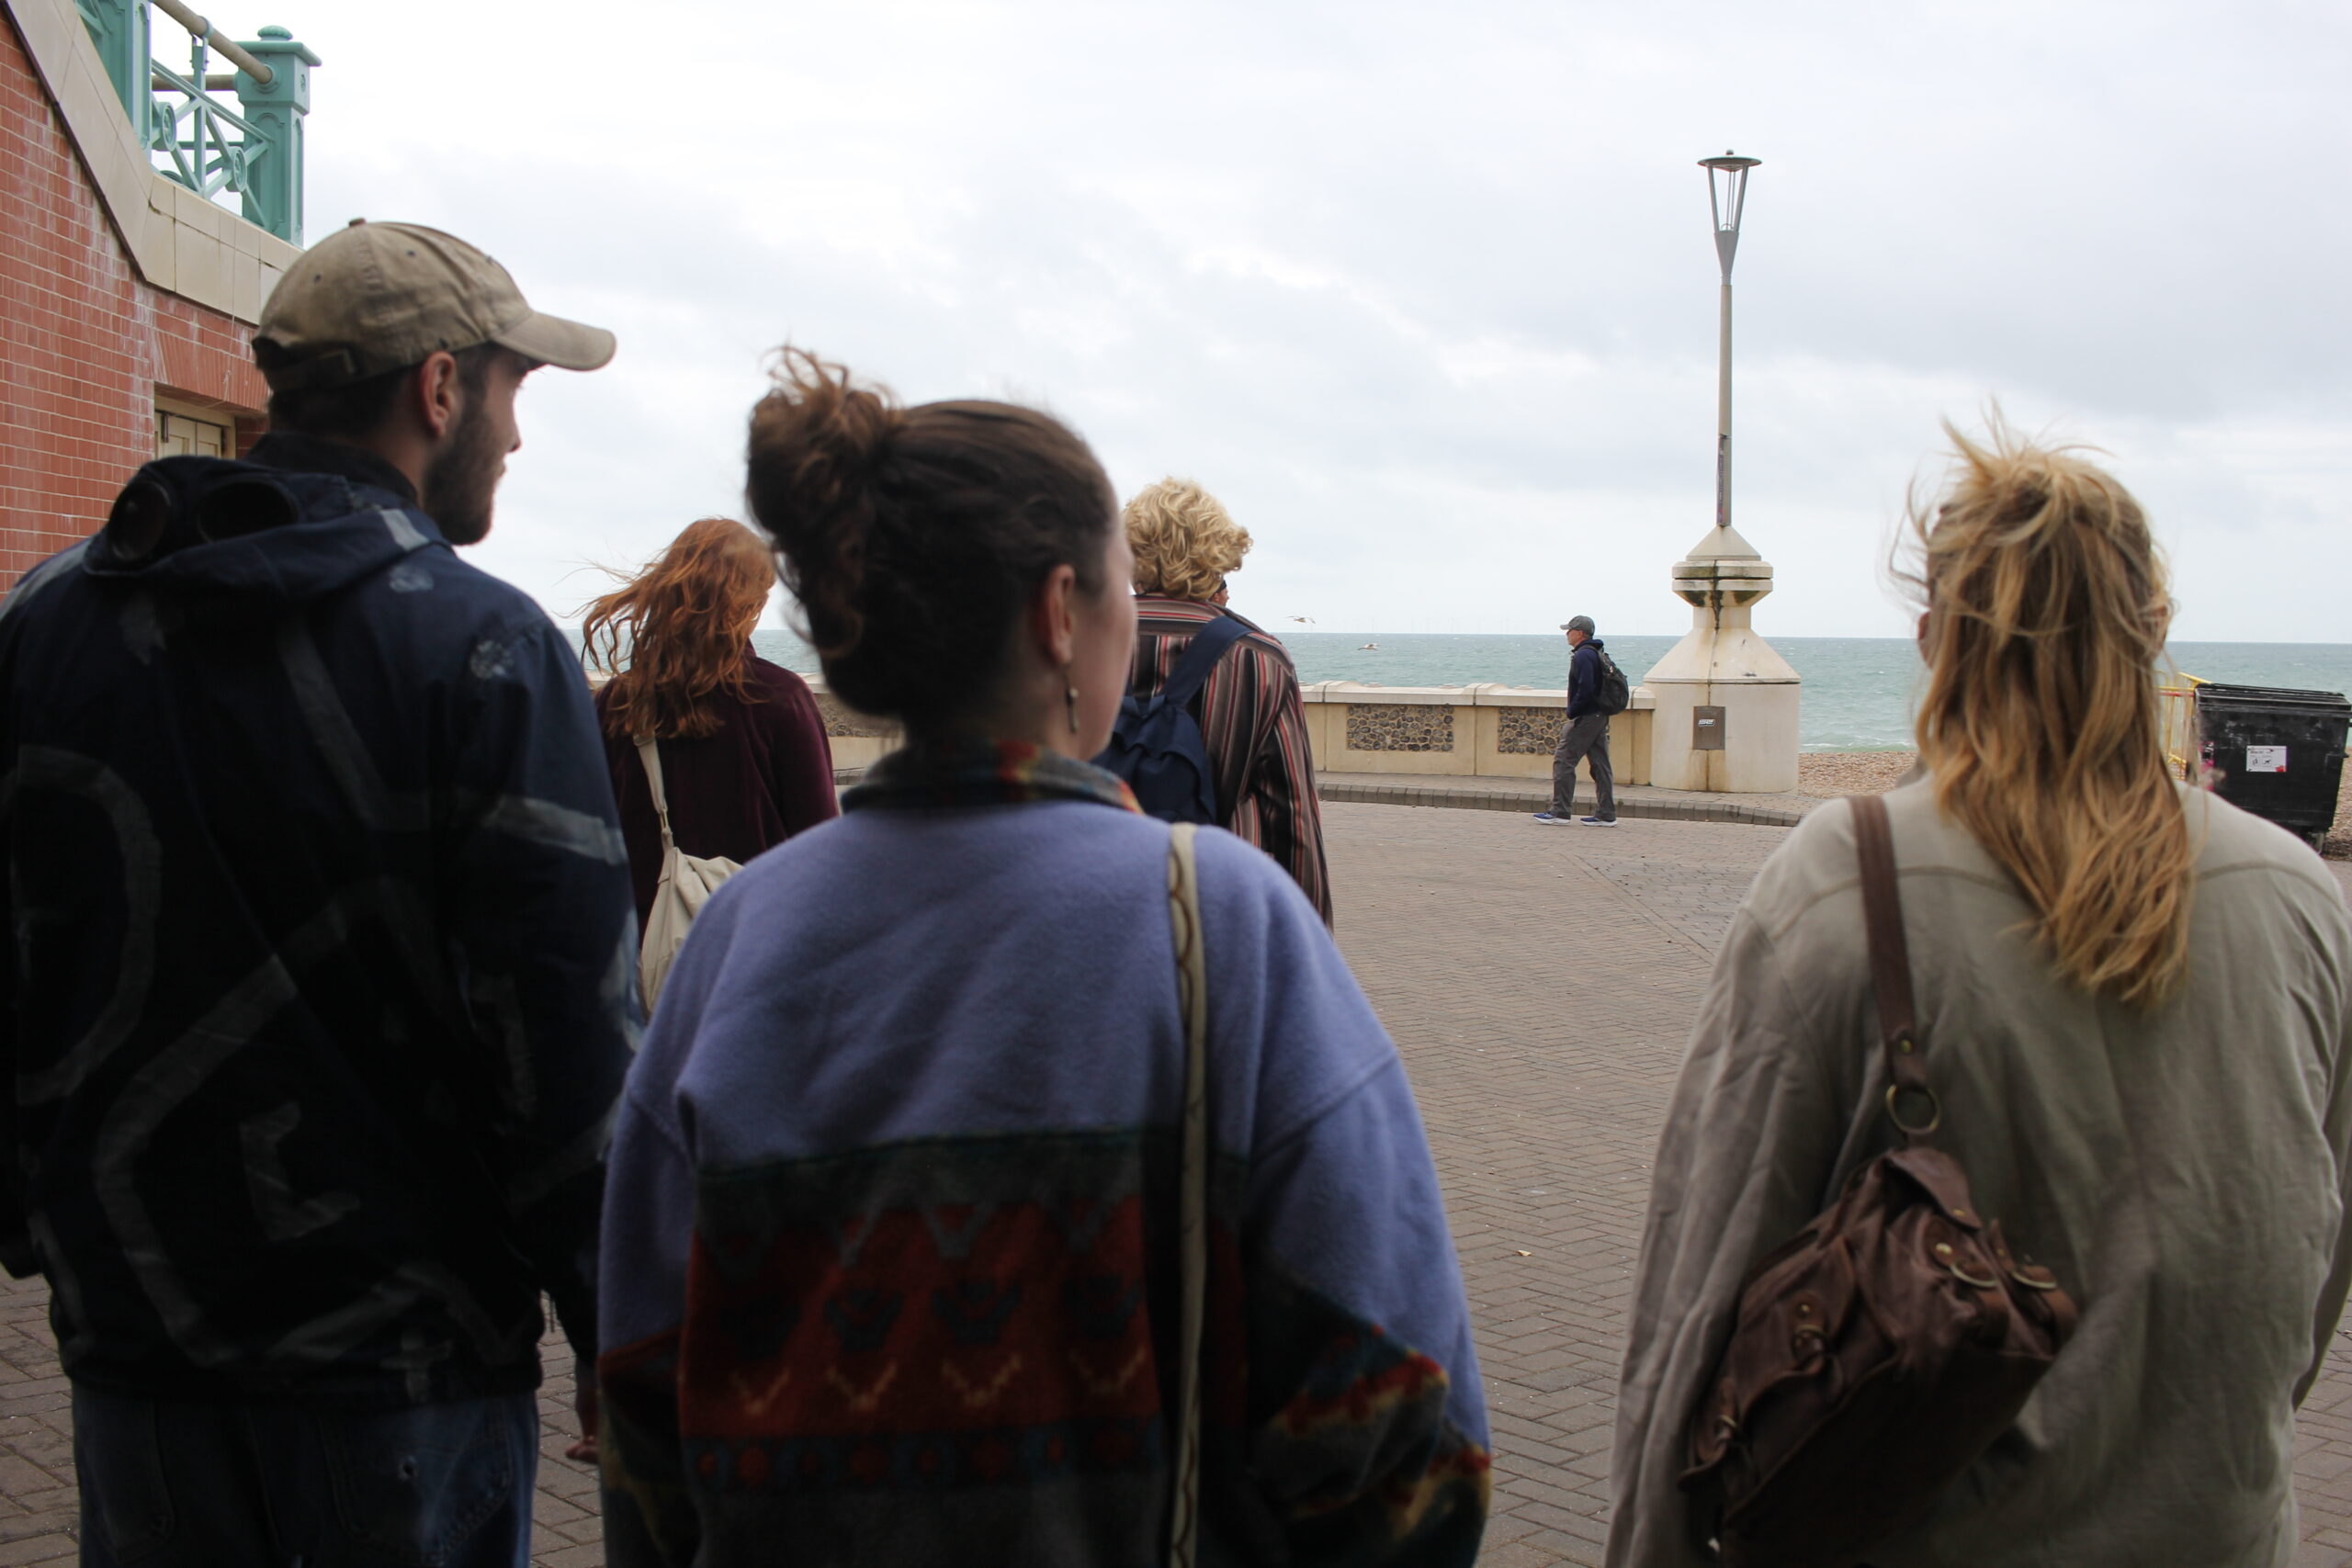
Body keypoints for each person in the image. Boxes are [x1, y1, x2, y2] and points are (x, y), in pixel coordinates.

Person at [597, 352, 1488, 1566]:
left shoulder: (738, 943)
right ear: (1061, 612)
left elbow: (649, 1417)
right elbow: (1410, 1430)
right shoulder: (1222, 920)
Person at [0, 220, 639, 1566]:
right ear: (442, 387)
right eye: (517, 390)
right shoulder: (488, 652)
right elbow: (565, 1045)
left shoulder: (50, 619)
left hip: (133, 1353)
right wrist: (618, 1331)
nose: (518, 437)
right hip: (407, 1376)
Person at [1606, 429, 2352, 1567]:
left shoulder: (1841, 886)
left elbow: (1696, 1296)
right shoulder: (2297, 901)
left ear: (1932, 637)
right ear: (2153, 630)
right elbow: (2305, 1285)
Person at [581, 516, 837, 935]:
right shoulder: (779, 697)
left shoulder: (617, 702)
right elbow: (821, 849)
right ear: (747, 602)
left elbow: (593, 833)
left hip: (645, 952)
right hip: (753, 944)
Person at [1124, 478, 1333, 923]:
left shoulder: (1073, 639)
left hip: (1091, 897)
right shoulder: (1258, 658)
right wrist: (1309, 949)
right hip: (1216, 909)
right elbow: (1291, 813)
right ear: (1219, 554)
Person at [1534, 615, 1616, 826]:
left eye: (1569, 630)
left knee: (1563, 760)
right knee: (1600, 764)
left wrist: (1572, 711)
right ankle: (1606, 814)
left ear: (1579, 633)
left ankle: (1560, 811)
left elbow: (1586, 689)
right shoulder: (1596, 652)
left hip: (1587, 716)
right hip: (1599, 714)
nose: (1566, 634)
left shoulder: (1583, 656)